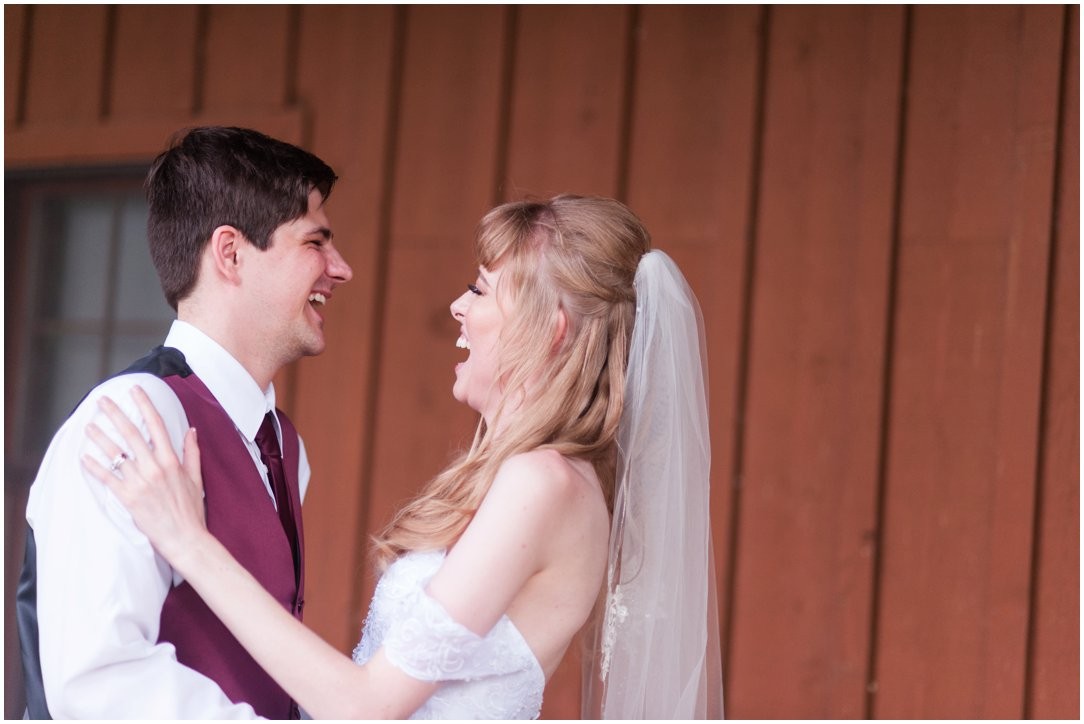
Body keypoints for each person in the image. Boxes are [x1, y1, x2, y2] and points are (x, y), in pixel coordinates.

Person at [83, 194, 723, 718]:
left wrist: (187, 542)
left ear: (549, 326)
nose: (458, 308)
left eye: (480, 290)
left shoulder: (544, 482)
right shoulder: (540, 479)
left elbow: (367, 706)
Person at [17, 126, 354, 719]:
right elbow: (100, 684)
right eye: (315, 242)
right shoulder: (132, 417)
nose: (340, 268)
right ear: (230, 253)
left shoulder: (284, 447)